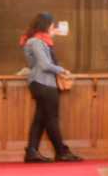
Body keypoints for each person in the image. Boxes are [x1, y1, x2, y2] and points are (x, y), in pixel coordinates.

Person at [20, 15, 78, 163]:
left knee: (40, 119)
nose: (54, 29)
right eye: (52, 26)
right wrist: (62, 70)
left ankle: (32, 151)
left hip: (42, 83)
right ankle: (61, 151)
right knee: (52, 119)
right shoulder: (36, 42)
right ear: (45, 26)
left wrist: (54, 33)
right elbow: (45, 65)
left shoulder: (39, 40)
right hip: (43, 83)